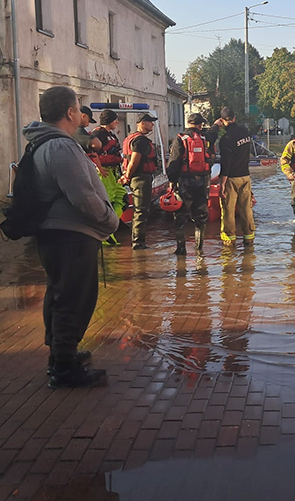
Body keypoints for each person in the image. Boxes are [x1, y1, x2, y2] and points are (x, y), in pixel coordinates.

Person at [23, 86, 119, 388]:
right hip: (71, 236)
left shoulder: (45, 144)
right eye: (78, 107)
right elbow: (83, 196)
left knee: (60, 294)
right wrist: (109, 220)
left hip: (59, 234)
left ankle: (61, 356)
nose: (81, 113)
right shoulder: (60, 147)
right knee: (73, 299)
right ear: (69, 112)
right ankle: (64, 369)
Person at [166, 113, 215, 255]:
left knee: (181, 215)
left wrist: (172, 181)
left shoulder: (180, 138)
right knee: (201, 216)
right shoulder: (206, 138)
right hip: (203, 180)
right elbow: (211, 157)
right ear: (200, 125)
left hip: (185, 181)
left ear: (188, 123)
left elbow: (174, 161)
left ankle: (181, 249)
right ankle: (199, 249)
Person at [215, 107, 255, 247]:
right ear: (234, 117)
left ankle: (229, 242)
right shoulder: (245, 132)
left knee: (228, 211)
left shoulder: (226, 139)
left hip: (231, 178)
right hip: (246, 176)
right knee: (246, 209)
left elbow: (226, 163)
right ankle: (249, 239)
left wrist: (222, 184)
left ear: (222, 121)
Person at [119, 113, 158, 250]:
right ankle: (138, 243)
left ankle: (138, 241)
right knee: (141, 211)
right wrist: (127, 176)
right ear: (142, 123)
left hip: (137, 178)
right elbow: (134, 161)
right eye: (150, 122)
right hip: (140, 178)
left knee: (140, 210)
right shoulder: (140, 141)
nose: (152, 124)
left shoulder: (133, 138)